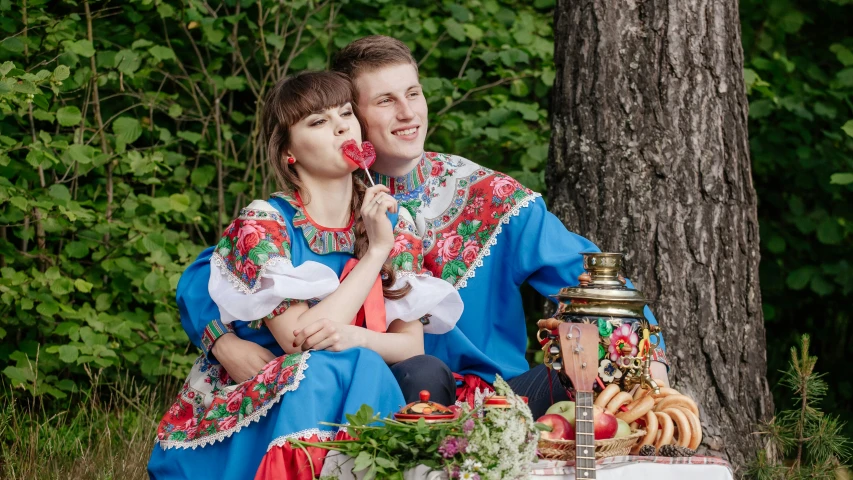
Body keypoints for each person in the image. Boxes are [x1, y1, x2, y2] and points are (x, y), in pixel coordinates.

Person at [188, 35, 671, 419]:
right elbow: (210, 271)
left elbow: (590, 283)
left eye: (413, 94)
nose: (407, 113)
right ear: (350, 118)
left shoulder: (489, 196)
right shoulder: (324, 204)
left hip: (497, 401)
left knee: (586, 375)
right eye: (385, 101)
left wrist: (653, 361)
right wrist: (222, 340)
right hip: (381, 398)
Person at [148, 71, 463, 480]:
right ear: (288, 153)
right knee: (327, 368)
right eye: (317, 122)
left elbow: (409, 346)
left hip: (351, 386)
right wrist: (376, 255)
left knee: (380, 366)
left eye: (346, 113)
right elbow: (302, 339)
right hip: (262, 395)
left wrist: (354, 337)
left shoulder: (391, 220)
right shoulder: (265, 223)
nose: (340, 126)